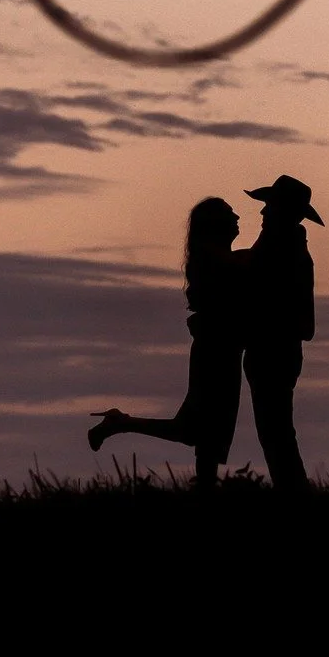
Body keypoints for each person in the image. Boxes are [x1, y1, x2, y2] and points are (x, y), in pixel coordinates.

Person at [86, 198, 245, 491]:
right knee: (202, 428)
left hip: (221, 350)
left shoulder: (217, 257)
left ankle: (122, 424)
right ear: (215, 224)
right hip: (216, 352)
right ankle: (122, 425)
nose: (237, 216)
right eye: (228, 214)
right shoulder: (218, 260)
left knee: (200, 427)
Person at [241, 174, 322, 494]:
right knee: (276, 432)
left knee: (275, 432)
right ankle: (292, 491)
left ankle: (293, 493)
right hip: (274, 350)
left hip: (273, 352)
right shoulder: (282, 250)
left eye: (269, 206)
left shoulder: (282, 254)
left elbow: (304, 325)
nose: (262, 213)